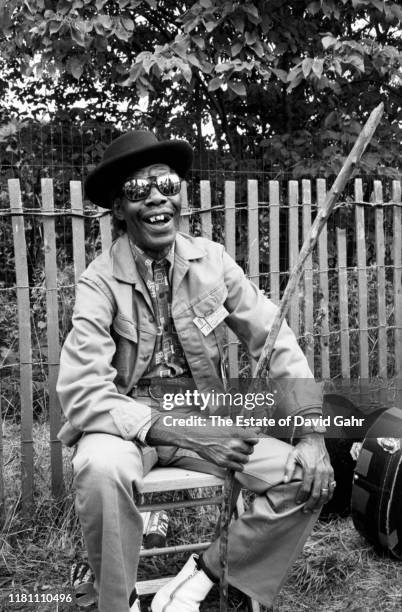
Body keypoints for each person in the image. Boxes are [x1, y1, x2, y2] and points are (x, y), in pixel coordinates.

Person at [57, 130, 335, 612]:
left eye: (166, 183)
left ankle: (202, 581)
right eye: (138, 189)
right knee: (100, 468)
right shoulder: (97, 282)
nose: (157, 197)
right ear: (120, 209)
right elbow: (83, 394)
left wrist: (311, 433)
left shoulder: (213, 262)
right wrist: (183, 434)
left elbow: (275, 337)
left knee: (300, 476)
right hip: (124, 425)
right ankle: (115, 603)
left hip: (202, 418)